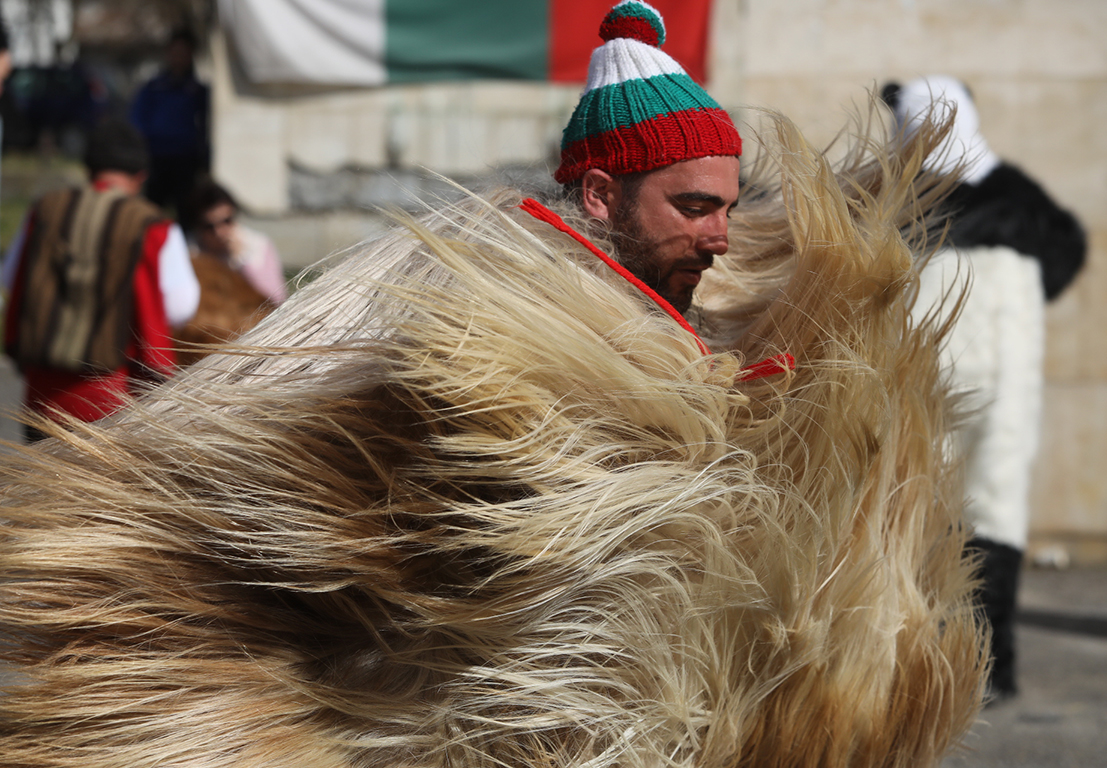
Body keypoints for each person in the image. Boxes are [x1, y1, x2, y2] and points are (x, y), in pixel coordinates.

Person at [0, 5, 987, 766]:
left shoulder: (679, 307)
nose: (721, 236)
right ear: (600, 196)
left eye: (729, 208)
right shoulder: (471, 295)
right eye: (693, 208)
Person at [886, 75, 1086, 702]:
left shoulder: (902, 192)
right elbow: (1068, 246)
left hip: (931, 355)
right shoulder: (1017, 195)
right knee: (996, 505)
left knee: (922, 498)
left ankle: (930, 659)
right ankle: (992, 664)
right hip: (1008, 356)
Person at [2, 116, 200, 440]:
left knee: (46, 489)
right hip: (116, 404)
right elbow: (181, 307)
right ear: (140, 176)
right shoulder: (153, 226)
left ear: (89, 169)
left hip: (42, 400)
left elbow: (11, 282)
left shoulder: (44, 210)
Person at [128, 27, 210, 214]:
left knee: (187, 212)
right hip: (156, 158)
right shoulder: (154, 87)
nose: (178, 58)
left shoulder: (198, 91)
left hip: (186, 160)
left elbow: (206, 125)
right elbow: (137, 119)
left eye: (183, 53)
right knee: (152, 211)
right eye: (175, 52)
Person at [186, 178, 288, 304]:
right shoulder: (189, 251)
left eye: (226, 221)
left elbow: (275, 299)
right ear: (197, 227)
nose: (219, 232)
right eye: (209, 227)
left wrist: (242, 261)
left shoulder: (259, 245)